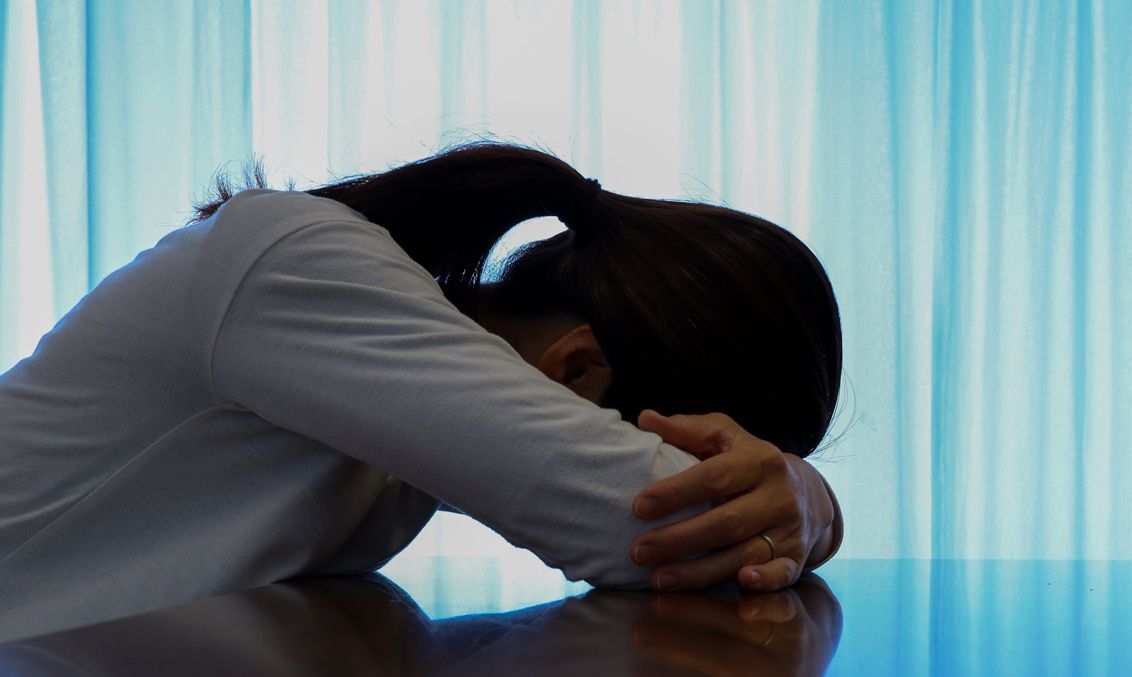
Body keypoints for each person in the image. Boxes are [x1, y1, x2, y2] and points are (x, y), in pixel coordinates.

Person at [0, 141, 844, 642]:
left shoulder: (382, 376)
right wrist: (805, 503)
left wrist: (805, 504)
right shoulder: (299, 263)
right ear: (578, 369)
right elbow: (642, 522)